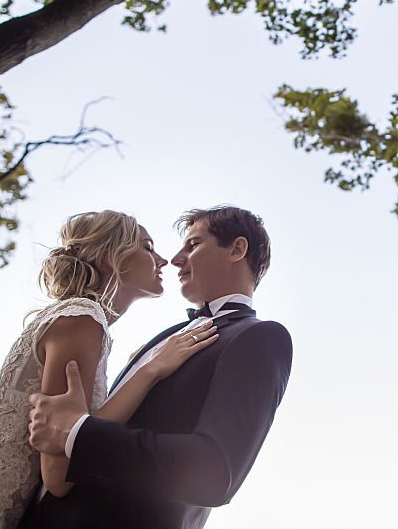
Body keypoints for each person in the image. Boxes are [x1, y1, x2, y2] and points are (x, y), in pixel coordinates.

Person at [0, 211, 219, 528]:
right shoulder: (82, 319)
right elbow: (59, 476)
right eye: (147, 246)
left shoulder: (75, 319)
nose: (162, 260)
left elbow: (64, 431)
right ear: (114, 257)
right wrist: (150, 370)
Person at [20, 205, 293, 529]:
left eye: (192, 245)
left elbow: (215, 472)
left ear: (237, 249)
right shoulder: (163, 338)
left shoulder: (258, 338)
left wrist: (78, 434)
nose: (176, 259)